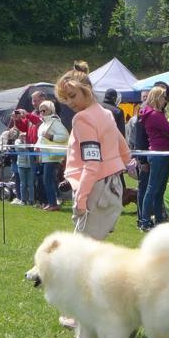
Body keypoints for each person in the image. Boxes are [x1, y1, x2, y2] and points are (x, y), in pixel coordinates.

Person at [55, 66, 131, 239]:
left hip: (95, 190)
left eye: (72, 96)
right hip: (113, 187)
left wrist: (80, 199)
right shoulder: (106, 114)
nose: (70, 103)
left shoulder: (82, 118)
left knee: (79, 253)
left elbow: (92, 163)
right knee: (91, 252)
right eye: (65, 99)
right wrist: (129, 164)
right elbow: (122, 144)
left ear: (87, 90)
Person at [139, 86, 169, 232]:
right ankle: (145, 221)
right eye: (163, 97)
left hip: (160, 153)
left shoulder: (154, 114)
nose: (165, 100)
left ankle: (158, 218)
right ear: (157, 98)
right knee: (153, 188)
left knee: (159, 188)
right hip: (158, 154)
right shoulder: (155, 115)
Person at [35, 100, 69, 211]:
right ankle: (51, 202)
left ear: (51, 110)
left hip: (53, 156)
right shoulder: (42, 125)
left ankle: (53, 204)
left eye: (44, 109)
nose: (42, 112)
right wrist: (38, 151)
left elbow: (65, 136)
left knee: (47, 180)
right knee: (47, 180)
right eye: (40, 110)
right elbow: (40, 140)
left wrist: (51, 137)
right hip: (45, 156)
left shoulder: (55, 122)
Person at [15, 132, 35, 205]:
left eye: (25, 135)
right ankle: (23, 200)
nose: (24, 137)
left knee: (30, 184)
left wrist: (27, 142)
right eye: (22, 135)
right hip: (21, 165)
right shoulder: (17, 141)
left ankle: (31, 200)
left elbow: (32, 148)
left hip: (30, 165)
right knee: (23, 184)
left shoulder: (30, 141)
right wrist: (23, 142)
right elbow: (17, 148)